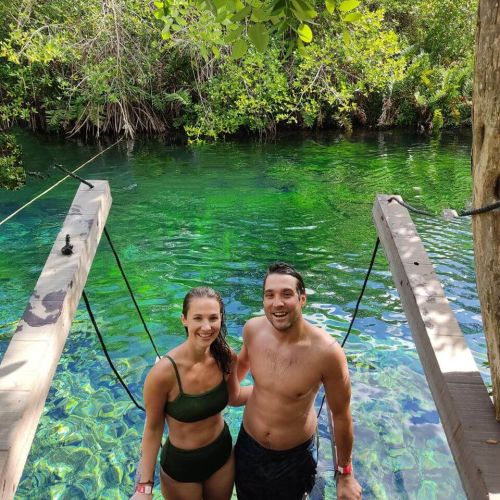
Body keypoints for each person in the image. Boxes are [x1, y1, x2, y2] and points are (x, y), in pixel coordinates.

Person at [235, 262, 362, 500]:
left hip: (293, 458)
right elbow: (238, 370)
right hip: (248, 447)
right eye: (269, 295)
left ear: (302, 299)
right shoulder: (252, 329)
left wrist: (344, 473)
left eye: (287, 294)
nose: (277, 303)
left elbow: (341, 415)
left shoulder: (327, 353)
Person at [132, 286, 250, 500]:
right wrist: (144, 488)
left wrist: (273, 390)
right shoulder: (163, 374)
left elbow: (235, 397)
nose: (206, 327)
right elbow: (152, 429)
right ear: (184, 320)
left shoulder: (226, 358)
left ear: (221, 319)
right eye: (198, 318)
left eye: (213, 318)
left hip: (222, 458)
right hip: (181, 469)